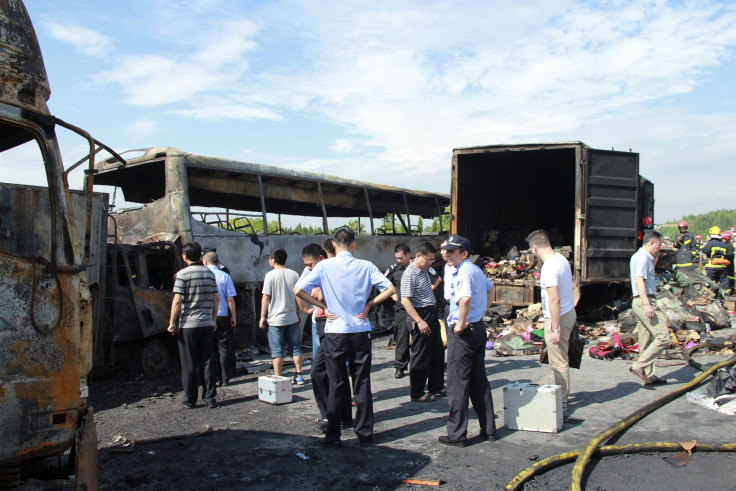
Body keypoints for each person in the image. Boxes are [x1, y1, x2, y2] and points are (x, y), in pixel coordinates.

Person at [295, 227, 395, 447]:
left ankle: (333, 434)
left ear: (333, 245)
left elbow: (298, 290)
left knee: (336, 384)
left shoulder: (323, 266)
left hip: (335, 331)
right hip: (360, 329)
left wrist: (322, 306)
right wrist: (370, 304)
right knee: (362, 382)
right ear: (353, 244)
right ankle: (365, 433)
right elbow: (389, 288)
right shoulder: (366, 266)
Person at [438, 234, 496, 447]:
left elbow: (465, 299)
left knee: (457, 383)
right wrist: (481, 313)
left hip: (464, 332)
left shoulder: (463, 272)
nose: (447, 255)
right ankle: (488, 429)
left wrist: (461, 323)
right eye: (447, 251)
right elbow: (491, 289)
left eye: (452, 252)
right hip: (477, 328)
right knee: (479, 380)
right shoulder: (475, 270)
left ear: (464, 253)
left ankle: (457, 434)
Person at [527, 230, 577, 411]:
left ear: (534, 247)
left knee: (558, 361)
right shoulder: (561, 259)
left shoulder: (548, 267)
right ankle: (562, 396)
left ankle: (561, 402)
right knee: (560, 358)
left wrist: (555, 329)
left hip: (559, 317)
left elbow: (554, 299)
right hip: (568, 312)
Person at [168, 242, 218, 409]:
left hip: (188, 325)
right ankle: (210, 397)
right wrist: (214, 319)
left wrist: (172, 322)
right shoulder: (210, 274)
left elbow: (177, 300)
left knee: (189, 362)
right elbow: (215, 299)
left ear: (184, 256)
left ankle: (190, 399)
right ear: (201, 256)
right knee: (207, 361)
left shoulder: (182, 275)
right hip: (206, 323)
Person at [400, 241, 445, 402]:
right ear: (418, 256)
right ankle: (417, 392)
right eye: (428, 260)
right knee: (420, 354)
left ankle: (436, 385)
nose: (430, 263)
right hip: (420, 314)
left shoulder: (424, 269)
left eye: (432, 260)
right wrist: (419, 321)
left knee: (437, 351)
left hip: (431, 312)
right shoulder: (409, 274)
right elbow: (405, 300)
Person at [629, 231, 669, 386]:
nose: (659, 249)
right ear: (651, 243)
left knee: (646, 339)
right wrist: (647, 304)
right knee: (662, 337)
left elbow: (647, 275)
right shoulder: (642, 257)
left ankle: (649, 376)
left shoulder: (643, 258)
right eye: (658, 246)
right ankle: (638, 366)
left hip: (641, 300)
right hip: (644, 300)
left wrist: (655, 261)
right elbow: (639, 281)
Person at [259, 248, 304, 384]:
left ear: (273, 260)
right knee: (295, 347)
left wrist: (262, 317)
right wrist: (299, 313)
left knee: (277, 350)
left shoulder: (270, 276)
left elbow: (266, 297)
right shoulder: (294, 274)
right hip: (291, 317)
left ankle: (278, 379)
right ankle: (299, 375)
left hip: (275, 319)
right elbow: (298, 295)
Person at [203, 251, 237, 386]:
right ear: (218, 262)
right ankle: (225, 377)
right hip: (222, 315)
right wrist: (233, 316)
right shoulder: (225, 276)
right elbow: (230, 299)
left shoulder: (203, 276)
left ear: (205, 262)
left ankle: (212, 377)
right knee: (223, 347)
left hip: (207, 316)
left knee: (209, 348)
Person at [386, 244, 412, 379]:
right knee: (402, 338)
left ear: (408, 254)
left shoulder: (418, 266)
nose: (398, 260)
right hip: (401, 308)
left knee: (421, 338)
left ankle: (420, 365)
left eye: (401, 258)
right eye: (396, 258)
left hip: (417, 308)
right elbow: (383, 283)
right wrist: (391, 294)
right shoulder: (394, 268)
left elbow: (436, 279)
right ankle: (400, 367)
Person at [702, 226, 733, 297]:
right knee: (724, 280)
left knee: (711, 281)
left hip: (712, 266)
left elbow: (705, 250)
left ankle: (710, 294)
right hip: (722, 266)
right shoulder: (723, 243)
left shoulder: (711, 243)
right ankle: (726, 293)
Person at [722, 230, 734, 295]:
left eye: (723, 238)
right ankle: (731, 290)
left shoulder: (729, 246)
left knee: (729, 277)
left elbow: (729, 256)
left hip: (729, 264)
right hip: (729, 264)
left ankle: (730, 290)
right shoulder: (727, 245)